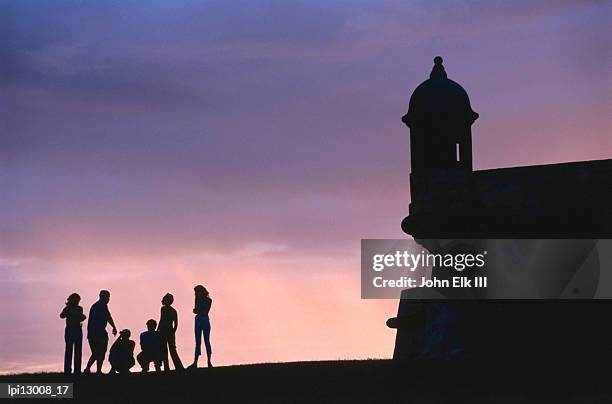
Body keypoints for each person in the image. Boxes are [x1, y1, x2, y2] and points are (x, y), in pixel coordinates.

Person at [84, 290, 118, 373]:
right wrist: (114, 327)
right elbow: (108, 317)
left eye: (109, 297)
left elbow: (107, 317)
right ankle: (91, 369)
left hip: (95, 333)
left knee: (98, 353)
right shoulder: (101, 305)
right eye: (107, 297)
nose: (108, 299)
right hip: (97, 333)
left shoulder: (98, 305)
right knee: (99, 352)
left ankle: (93, 369)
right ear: (102, 297)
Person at [60, 293, 86, 374]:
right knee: (75, 351)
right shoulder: (77, 308)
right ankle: (75, 370)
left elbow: (62, 316)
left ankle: (70, 370)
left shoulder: (69, 308)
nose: (78, 301)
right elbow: (62, 316)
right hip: (75, 329)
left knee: (70, 350)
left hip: (72, 329)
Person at [188, 285, 213, 369]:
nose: (195, 294)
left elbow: (201, 311)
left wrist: (197, 310)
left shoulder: (208, 300)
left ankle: (208, 362)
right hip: (200, 319)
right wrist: (197, 310)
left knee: (206, 341)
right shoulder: (200, 299)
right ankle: (196, 363)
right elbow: (198, 310)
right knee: (199, 342)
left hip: (203, 319)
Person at [158, 293, 184, 371]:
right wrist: (158, 329)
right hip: (166, 331)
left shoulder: (171, 310)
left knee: (170, 350)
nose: (162, 301)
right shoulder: (165, 309)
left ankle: (177, 367)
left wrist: (173, 331)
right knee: (166, 350)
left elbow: (175, 323)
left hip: (168, 331)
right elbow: (161, 320)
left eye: (163, 299)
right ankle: (169, 367)